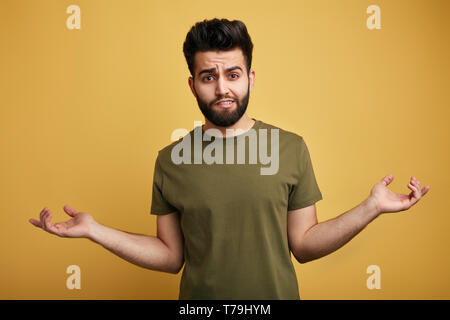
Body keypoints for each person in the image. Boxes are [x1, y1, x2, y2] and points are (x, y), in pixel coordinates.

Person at [29, 18, 430, 300]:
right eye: (209, 77)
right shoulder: (170, 161)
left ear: (250, 78)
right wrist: (95, 230)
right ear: (193, 84)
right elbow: (170, 257)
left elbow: (304, 245)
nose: (223, 88)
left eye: (233, 75)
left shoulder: (290, 148)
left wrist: (372, 207)